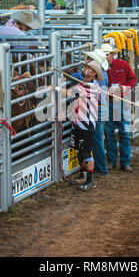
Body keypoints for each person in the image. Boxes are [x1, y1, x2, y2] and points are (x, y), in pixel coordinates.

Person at [50, 51, 106, 191]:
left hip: (86, 125)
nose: (85, 70)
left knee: (86, 153)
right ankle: (83, 175)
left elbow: (69, 93)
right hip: (78, 123)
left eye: (89, 69)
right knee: (79, 152)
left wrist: (55, 88)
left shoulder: (92, 88)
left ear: (93, 74)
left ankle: (90, 179)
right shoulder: (82, 85)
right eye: (86, 67)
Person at [70, 47, 110, 177]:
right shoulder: (102, 74)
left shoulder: (96, 79)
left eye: (89, 60)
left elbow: (75, 77)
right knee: (96, 141)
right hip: (96, 109)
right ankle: (97, 169)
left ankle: (100, 170)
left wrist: (72, 73)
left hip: (93, 111)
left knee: (95, 140)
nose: (87, 61)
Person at [105, 43, 137, 172]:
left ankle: (125, 162)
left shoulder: (123, 65)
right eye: (104, 54)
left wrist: (125, 87)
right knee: (109, 133)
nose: (106, 57)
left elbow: (132, 79)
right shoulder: (100, 69)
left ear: (113, 55)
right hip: (108, 103)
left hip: (122, 102)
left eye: (107, 54)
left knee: (124, 133)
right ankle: (112, 161)